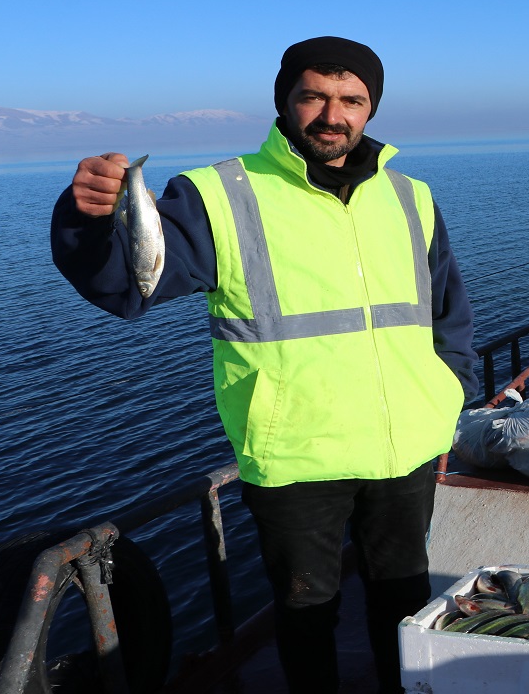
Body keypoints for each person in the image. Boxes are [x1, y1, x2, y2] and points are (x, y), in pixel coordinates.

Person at [51, 36, 478, 694]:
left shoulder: (410, 196)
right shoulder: (217, 196)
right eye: (314, 96)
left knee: (405, 607)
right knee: (307, 618)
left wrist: (449, 402)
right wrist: (85, 220)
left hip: (405, 453)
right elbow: (127, 284)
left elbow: (447, 312)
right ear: (285, 102)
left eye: (352, 100)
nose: (333, 115)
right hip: (297, 459)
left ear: (370, 109)